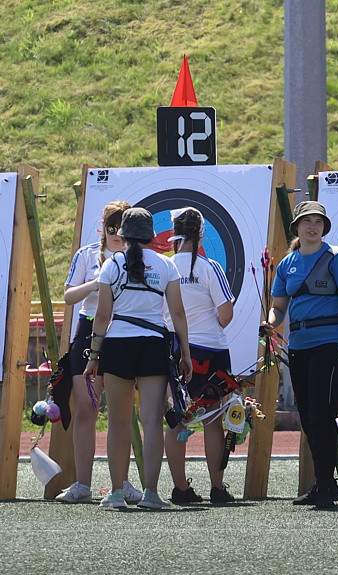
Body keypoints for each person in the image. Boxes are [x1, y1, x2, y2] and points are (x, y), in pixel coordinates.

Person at [84, 207, 192, 510]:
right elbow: (178, 313)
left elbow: (102, 316)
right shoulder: (166, 265)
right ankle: (151, 493)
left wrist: (93, 356)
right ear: (150, 236)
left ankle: (117, 493)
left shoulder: (111, 265)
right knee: (152, 422)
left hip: (117, 345)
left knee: (118, 422)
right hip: (153, 345)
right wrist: (186, 353)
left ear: (122, 235)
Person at [264, 201, 338, 509]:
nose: (312, 226)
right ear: (297, 228)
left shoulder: (336, 259)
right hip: (300, 347)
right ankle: (323, 484)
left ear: (324, 227)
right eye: (307, 221)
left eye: (318, 221)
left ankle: (326, 486)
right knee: (308, 415)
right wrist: (270, 323)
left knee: (321, 412)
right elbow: (278, 307)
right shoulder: (289, 262)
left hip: (329, 344)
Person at [56, 201, 144, 504]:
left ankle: (121, 483)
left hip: (120, 331)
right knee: (85, 409)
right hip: (89, 327)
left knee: (121, 413)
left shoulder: (135, 258)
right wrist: (96, 283)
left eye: (122, 226)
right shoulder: (87, 254)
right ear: (103, 227)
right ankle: (82, 483)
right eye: (112, 226)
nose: (117, 232)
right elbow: (69, 295)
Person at [163, 207, 236, 505]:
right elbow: (226, 314)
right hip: (211, 351)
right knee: (213, 419)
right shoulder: (209, 267)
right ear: (201, 234)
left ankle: (180, 489)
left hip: (174, 349)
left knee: (175, 419)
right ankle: (217, 488)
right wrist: (209, 328)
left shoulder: (164, 267)